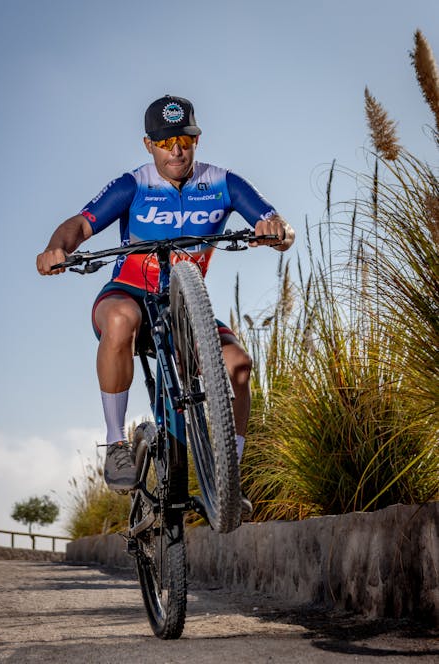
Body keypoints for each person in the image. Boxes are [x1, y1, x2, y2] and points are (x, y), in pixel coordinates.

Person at [37, 95, 295, 512]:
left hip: (184, 308)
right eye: (164, 142)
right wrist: (55, 249)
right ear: (148, 145)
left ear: (197, 139)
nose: (176, 150)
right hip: (128, 293)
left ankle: (228, 477)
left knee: (239, 367)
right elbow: (79, 225)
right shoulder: (133, 184)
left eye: (184, 139)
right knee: (121, 320)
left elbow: (275, 221)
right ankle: (117, 443)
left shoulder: (223, 183)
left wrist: (276, 230)